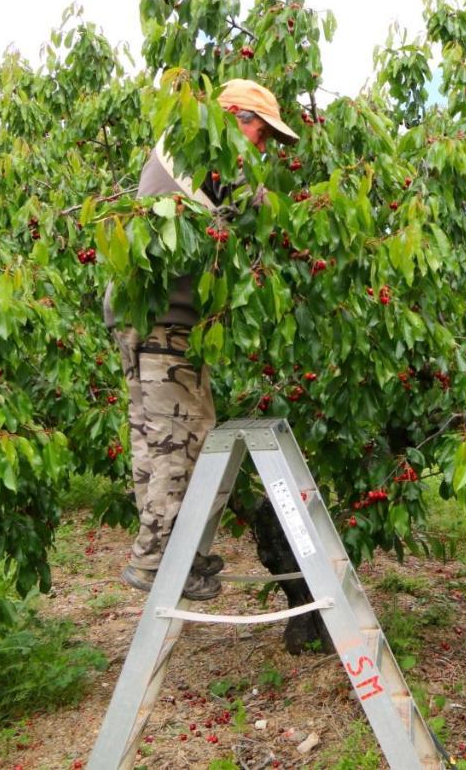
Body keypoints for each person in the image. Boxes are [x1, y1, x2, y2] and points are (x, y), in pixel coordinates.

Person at [108, 78, 299, 600]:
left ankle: (163, 552)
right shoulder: (196, 154)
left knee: (155, 435)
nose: (263, 148)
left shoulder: (192, 155)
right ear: (236, 116)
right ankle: (161, 562)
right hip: (162, 320)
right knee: (184, 435)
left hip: (145, 316)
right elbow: (234, 217)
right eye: (262, 134)